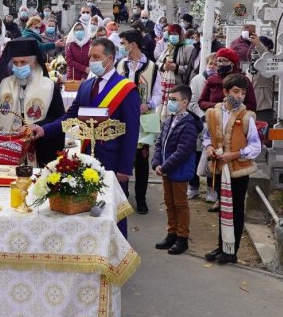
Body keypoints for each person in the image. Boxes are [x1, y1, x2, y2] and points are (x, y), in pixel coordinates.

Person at [29, 38, 140, 235]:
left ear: (110, 59)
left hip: (113, 159)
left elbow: (131, 132)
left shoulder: (126, 89)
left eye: (96, 57)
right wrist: (45, 129)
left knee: (114, 210)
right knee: (89, 207)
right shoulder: (87, 86)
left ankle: (117, 252)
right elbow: (70, 117)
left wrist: (125, 167)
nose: (91, 62)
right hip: (88, 154)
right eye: (90, 57)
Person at [202, 74, 263, 265]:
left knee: (235, 209)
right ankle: (222, 245)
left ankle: (232, 250)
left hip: (237, 170)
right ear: (226, 92)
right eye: (236, 92)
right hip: (219, 168)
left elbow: (255, 146)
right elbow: (206, 136)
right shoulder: (213, 113)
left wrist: (235, 154)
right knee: (223, 207)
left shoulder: (247, 117)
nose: (239, 97)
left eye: (243, 93)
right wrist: (210, 148)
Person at [0, 38, 64, 166]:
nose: (18, 66)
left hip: (38, 148)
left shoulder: (49, 86)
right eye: (15, 63)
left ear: (33, 63)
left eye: (23, 62)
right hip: (7, 147)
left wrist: (37, 126)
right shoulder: (2, 85)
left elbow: (57, 118)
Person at [152, 84, 200, 255]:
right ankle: (171, 233)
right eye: (169, 99)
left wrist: (164, 167)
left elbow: (182, 151)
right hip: (166, 170)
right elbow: (159, 143)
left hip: (178, 171)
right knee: (169, 202)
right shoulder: (169, 120)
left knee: (180, 204)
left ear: (184, 102)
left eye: (174, 100)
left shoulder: (189, 125)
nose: (170, 102)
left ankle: (182, 237)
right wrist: (157, 162)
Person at [116, 29, 159, 215]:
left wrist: (148, 104)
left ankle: (141, 198)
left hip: (143, 120)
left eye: (123, 43)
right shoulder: (120, 65)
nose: (122, 47)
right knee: (121, 156)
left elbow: (158, 94)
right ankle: (122, 195)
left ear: (132, 45)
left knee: (142, 159)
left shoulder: (152, 67)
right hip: (120, 119)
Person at [187, 52, 216, 200]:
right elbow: (192, 102)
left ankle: (212, 189)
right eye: (211, 64)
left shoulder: (221, 81)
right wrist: (203, 116)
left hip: (216, 122)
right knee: (196, 154)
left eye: (216, 65)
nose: (213, 67)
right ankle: (193, 186)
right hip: (199, 121)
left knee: (212, 157)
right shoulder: (198, 80)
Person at [249, 36, 276, 128]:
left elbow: (267, 59)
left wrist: (258, 45)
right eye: (254, 45)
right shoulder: (253, 62)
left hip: (264, 107)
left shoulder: (271, 62)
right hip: (251, 106)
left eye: (260, 45)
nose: (255, 48)